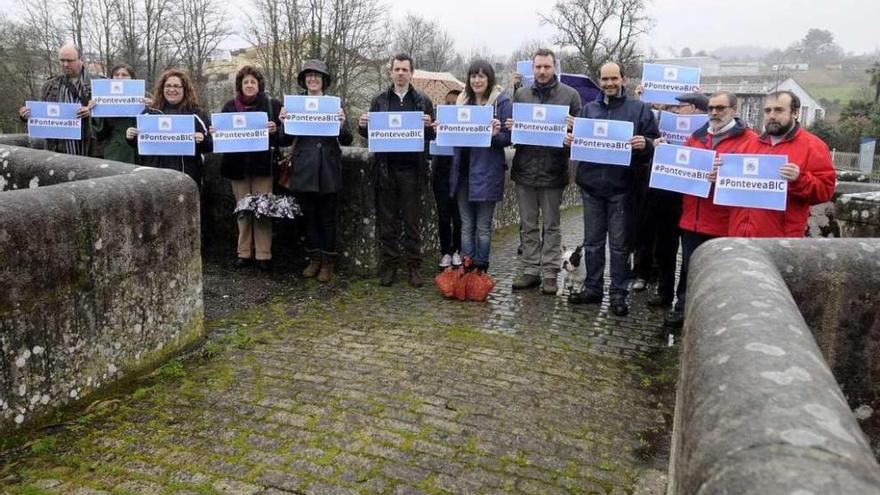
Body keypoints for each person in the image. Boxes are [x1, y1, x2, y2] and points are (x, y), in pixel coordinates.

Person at [566, 62, 659, 316]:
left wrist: (647, 144)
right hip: (592, 186)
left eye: (613, 78)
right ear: (600, 80)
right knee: (593, 243)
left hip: (623, 187)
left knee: (619, 246)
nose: (609, 83)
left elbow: (655, 143)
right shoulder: (588, 109)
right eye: (605, 79)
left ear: (623, 80)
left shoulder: (639, 110)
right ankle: (593, 289)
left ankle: (618, 294)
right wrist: (570, 140)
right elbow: (577, 146)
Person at [664, 92, 757, 328]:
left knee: (718, 272)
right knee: (689, 268)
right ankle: (682, 307)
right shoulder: (695, 137)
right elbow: (681, 169)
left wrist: (725, 175)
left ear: (734, 110)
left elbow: (754, 176)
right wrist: (666, 153)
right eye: (712, 108)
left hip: (724, 220)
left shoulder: (751, 140)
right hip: (692, 218)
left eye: (721, 108)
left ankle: (714, 316)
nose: (714, 112)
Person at [504, 48, 581, 295]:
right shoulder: (522, 94)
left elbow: (582, 136)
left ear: (554, 67)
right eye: (538, 67)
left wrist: (574, 130)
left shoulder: (570, 95)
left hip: (553, 170)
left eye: (547, 67)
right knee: (527, 225)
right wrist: (513, 128)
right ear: (533, 68)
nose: (542, 71)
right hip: (525, 168)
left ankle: (550, 273)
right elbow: (515, 136)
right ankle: (530, 271)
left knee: (552, 226)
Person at [358, 54, 435, 288]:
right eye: (397, 69)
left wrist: (429, 126)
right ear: (391, 72)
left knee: (412, 221)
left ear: (411, 73)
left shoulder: (423, 100)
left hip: (412, 169)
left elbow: (431, 136)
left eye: (404, 69)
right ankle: (390, 266)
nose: (400, 73)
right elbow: (371, 135)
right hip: (386, 168)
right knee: (388, 221)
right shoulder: (379, 100)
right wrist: (363, 127)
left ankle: (413, 267)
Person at [634, 92, 708, 308]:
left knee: (689, 255)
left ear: (693, 109)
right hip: (666, 197)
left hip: (694, 202)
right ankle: (664, 292)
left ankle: (684, 299)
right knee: (665, 248)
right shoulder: (665, 126)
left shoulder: (704, 134)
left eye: (679, 107)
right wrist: (656, 146)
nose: (674, 111)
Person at [727, 90, 835, 237]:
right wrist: (720, 175)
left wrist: (799, 179)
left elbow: (825, 192)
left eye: (779, 110)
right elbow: (733, 187)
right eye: (768, 110)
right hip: (739, 233)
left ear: (795, 113)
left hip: (780, 238)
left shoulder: (813, 146)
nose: (771, 116)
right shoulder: (748, 145)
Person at [281, 60, 353, 282]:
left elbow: (348, 140)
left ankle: (327, 263)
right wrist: (283, 121)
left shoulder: (334, 105)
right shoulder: (295, 104)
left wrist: (342, 123)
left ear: (324, 80)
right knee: (309, 217)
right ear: (304, 80)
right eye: (309, 75)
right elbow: (284, 139)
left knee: (327, 217)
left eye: (317, 76)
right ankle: (314, 259)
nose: (313, 79)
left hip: (328, 167)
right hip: (304, 167)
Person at [213, 65, 283, 272]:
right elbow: (222, 136)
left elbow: (285, 137)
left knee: (263, 210)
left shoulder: (272, 105)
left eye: (253, 82)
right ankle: (243, 253)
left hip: (263, 166)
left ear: (259, 85)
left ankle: (264, 254)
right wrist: (216, 132)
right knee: (243, 211)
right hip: (237, 168)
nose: (250, 85)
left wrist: (275, 129)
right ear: (240, 86)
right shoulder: (229, 106)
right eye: (246, 82)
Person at [447, 60, 512, 273]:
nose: (476, 80)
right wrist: (443, 128)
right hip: (463, 172)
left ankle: (481, 267)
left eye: (481, 76)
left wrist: (495, 135)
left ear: (489, 78)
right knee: (466, 225)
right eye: (473, 76)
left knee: (483, 227)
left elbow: (508, 138)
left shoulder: (501, 103)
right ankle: (467, 265)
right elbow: (453, 134)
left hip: (487, 173)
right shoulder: (461, 102)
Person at [126, 70, 212, 187]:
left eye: (176, 86)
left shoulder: (196, 113)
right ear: (162, 89)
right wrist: (130, 136)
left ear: (184, 89)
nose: (172, 89)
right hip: (154, 173)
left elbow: (210, 145)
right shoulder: (150, 112)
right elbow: (138, 142)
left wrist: (202, 140)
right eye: (168, 86)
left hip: (186, 173)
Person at [18, 43, 100, 155]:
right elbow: (42, 116)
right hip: (59, 150)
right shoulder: (50, 85)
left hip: (90, 149)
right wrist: (26, 115)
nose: (65, 64)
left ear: (81, 60)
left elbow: (112, 118)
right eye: (62, 60)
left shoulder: (99, 83)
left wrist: (93, 112)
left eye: (70, 60)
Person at [90, 63, 150, 164]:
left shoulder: (145, 96)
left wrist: (151, 107)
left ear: (132, 78)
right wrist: (94, 111)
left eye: (124, 75)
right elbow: (99, 133)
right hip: (114, 152)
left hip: (136, 153)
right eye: (116, 75)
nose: (120, 77)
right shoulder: (103, 97)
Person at [432, 89, 463, 268]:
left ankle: (456, 250)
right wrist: (434, 131)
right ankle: (445, 252)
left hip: (459, 177)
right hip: (441, 176)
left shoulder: (465, 125)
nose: (452, 106)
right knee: (443, 217)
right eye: (448, 103)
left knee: (458, 219)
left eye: (455, 103)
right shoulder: (439, 123)